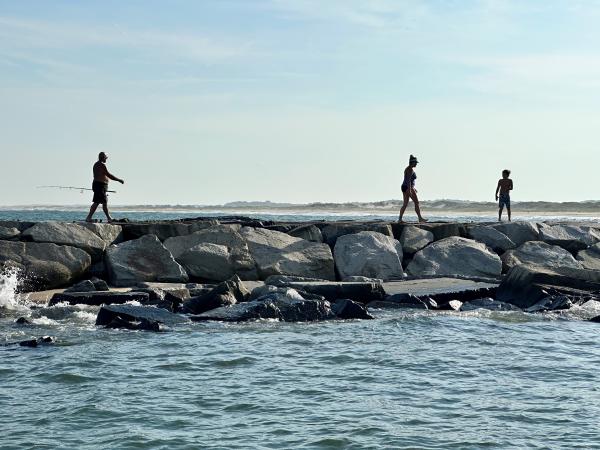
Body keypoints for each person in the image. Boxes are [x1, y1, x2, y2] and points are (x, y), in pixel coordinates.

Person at [85, 152, 124, 223]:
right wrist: (119, 180)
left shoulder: (96, 164)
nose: (106, 159)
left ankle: (108, 218)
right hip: (100, 185)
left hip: (99, 185)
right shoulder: (101, 165)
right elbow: (109, 175)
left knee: (103, 201)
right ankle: (89, 218)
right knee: (97, 202)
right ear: (103, 157)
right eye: (106, 157)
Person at [398, 154, 427, 223]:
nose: (416, 164)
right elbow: (408, 180)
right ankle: (420, 218)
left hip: (405, 186)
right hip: (408, 187)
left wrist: (413, 188)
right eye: (415, 163)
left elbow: (409, 180)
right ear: (412, 162)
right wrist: (410, 189)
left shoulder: (408, 169)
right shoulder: (410, 170)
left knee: (405, 204)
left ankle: (400, 219)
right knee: (416, 202)